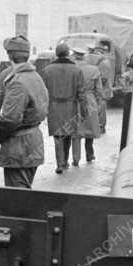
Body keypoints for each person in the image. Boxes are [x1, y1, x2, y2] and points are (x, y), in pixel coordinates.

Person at [0, 35, 48, 188]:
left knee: (17, 198)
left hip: (19, 146)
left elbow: (9, 119)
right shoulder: (35, 76)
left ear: (9, 55)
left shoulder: (17, 82)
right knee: (23, 191)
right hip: (33, 140)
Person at [40, 43, 84, 174]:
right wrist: (85, 110)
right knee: (68, 134)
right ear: (68, 54)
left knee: (57, 136)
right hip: (71, 106)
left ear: (56, 54)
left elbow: (43, 91)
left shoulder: (47, 70)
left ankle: (60, 163)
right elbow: (81, 92)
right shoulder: (76, 70)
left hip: (53, 107)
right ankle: (64, 161)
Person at [78, 47, 108, 159]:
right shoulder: (95, 70)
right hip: (90, 99)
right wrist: (100, 99)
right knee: (90, 128)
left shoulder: (77, 68)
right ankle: (89, 153)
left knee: (78, 128)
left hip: (77, 99)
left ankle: (75, 157)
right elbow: (99, 89)